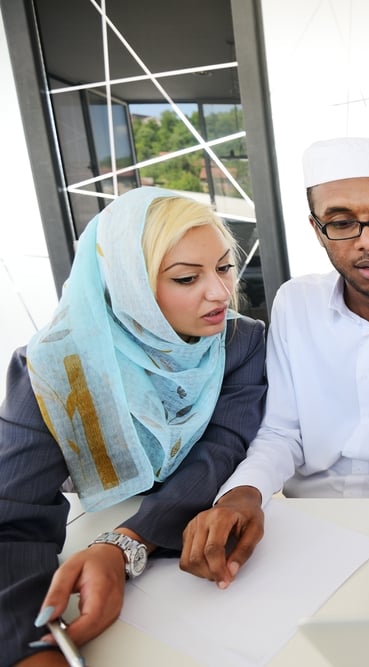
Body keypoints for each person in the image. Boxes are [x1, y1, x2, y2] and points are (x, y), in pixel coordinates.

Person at [179, 138, 369, 594]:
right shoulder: (295, 304)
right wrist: (243, 493)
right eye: (341, 223)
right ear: (316, 228)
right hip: (303, 526)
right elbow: (282, 431)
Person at [0, 187, 267, 666]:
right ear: (129, 285)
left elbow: (223, 448)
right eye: (187, 277)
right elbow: (10, 518)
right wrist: (27, 648)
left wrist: (126, 543)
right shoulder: (56, 368)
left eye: (224, 267)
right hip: (93, 539)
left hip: (187, 563)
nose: (221, 292)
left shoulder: (240, 342)